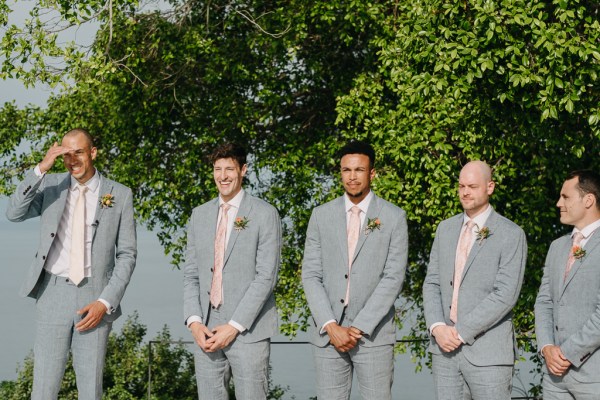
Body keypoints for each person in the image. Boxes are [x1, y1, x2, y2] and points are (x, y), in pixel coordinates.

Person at [6, 128, 137, 400]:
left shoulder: (120, 194)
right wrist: (41, 168)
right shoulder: (51, 185)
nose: (72, 160)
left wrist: (105, 302)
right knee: (43, 388)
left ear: (93, 152)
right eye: (66, 154)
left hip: (95, 298)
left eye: (78, 152)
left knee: (91, 390)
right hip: (52, 293)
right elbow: (13, 212)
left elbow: (127, 254)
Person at [301, 140, 408, 400]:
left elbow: (393, 278)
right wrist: (330, 325)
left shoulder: (394, 217)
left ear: (372, 173)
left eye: (359, 170)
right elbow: (311, 274)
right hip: (329, 335)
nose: (352, 177)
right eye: (346, 170)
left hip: (374, 335)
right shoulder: (320, 215)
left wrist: (358, 327)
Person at [183, 143, 281, 399]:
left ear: (243, 170)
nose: (223, 176)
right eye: (218, 169)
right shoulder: (199, 214)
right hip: (205, 329)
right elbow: (191, 274)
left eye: (229, 168)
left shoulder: (264, 214)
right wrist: (194, 322)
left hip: (249, 329)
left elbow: (266, 278)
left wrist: (234, 326)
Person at [422, 160, 527, 400]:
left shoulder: (511, 234)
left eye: (472, 186)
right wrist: (437, 327)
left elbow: (505, 295)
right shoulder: (445, 229)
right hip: (444, 353)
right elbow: (432, 283)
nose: (465, 192)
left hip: (488, 356)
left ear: (490, 187)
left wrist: (459, 333)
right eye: (461, 186)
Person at [535, 170, 600, 399]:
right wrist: (546, 348)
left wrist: (567, 353)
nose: (558, 203)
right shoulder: (557, 247)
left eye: (566, 197)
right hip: (554, 378)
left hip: (594, 376)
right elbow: (544, 301)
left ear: (589, 200)